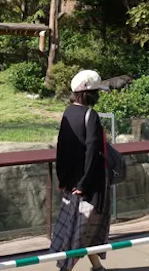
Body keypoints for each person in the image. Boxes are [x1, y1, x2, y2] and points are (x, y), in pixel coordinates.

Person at [50, 69, 112, 271]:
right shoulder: (90, 115)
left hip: (71, 183)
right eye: (96, 92)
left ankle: (97, 266)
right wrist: (84, 184)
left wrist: (63, 179)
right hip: (89, 185)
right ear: (89, 93)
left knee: (80, 227)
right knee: (82, 230)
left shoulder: (68, 113)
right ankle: (65, 268)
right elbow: (92, 152)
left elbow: (61, 149)